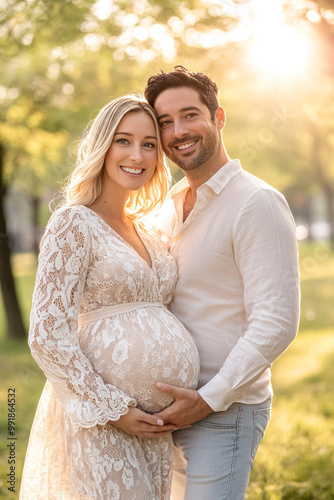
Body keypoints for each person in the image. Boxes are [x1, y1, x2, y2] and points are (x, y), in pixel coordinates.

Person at [19, 95, 200, 500]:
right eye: (124, 140)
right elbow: (47, 335)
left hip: (155, 430)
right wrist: (114, 411)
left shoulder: (149, 232)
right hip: (100, 422)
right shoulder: (74, 222)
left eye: (149, 143)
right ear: (103, 145)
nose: (137, 154)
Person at [144, 66, 300, 499]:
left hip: (223, 413)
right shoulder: (168, 206)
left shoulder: (256, 202)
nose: (178, 131)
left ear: (219, 117)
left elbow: (277, 321)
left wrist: (208, 398)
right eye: (164, 122)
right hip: (165, 413)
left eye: (190, 115)